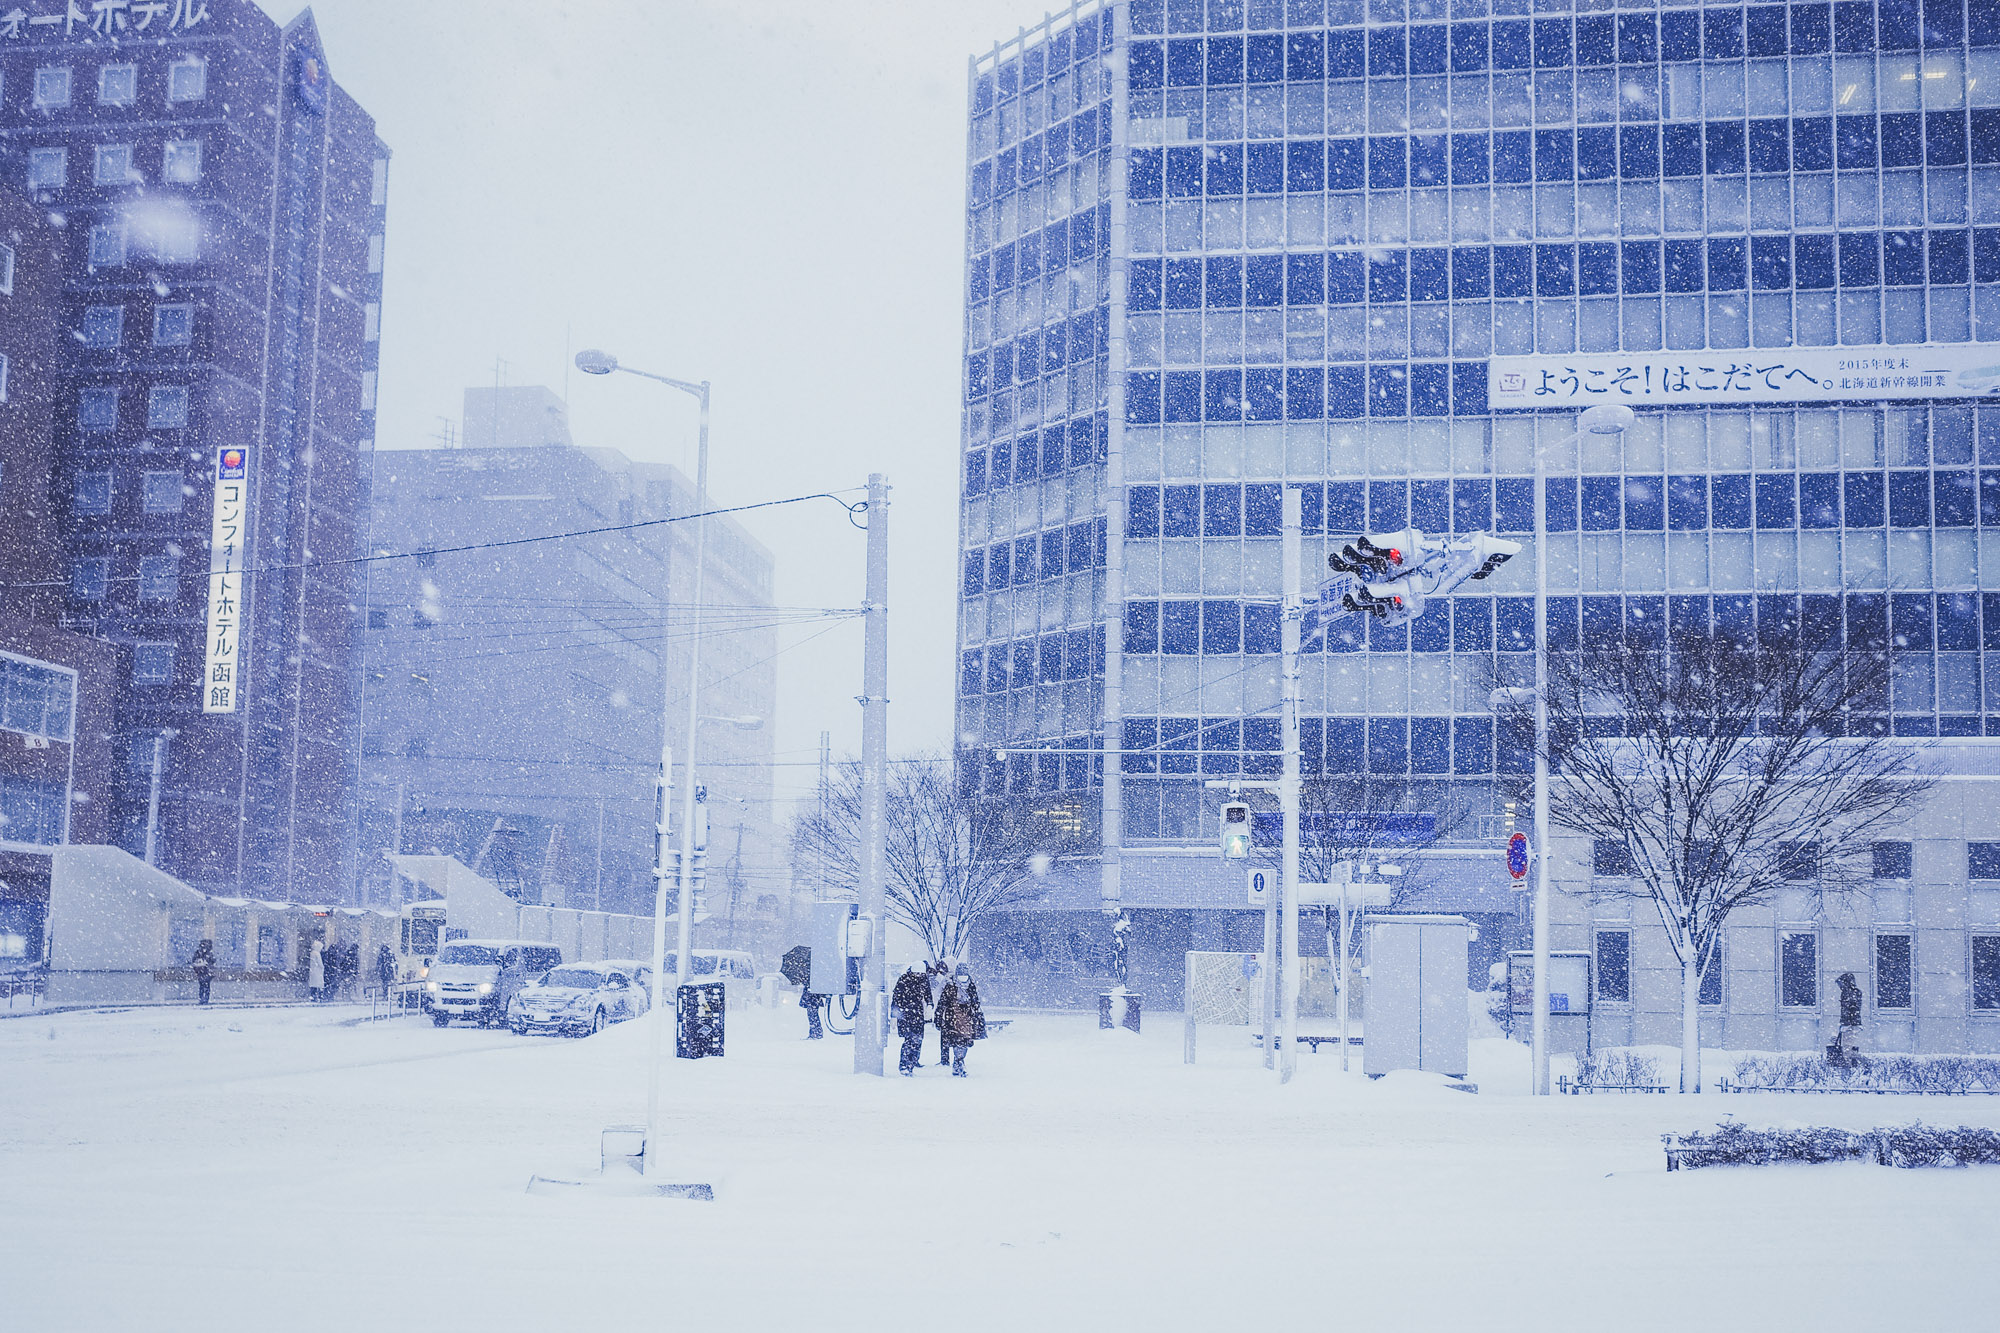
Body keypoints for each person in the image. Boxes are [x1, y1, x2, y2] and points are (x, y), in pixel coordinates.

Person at [934, 963, 987, 1078]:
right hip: (952, 1018)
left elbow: (975, 1002)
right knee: (957, 1040)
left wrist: (977, 1013)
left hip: (967, 1018)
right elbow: (942, 1002)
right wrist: (938, 1017)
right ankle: (959, 1062)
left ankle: (959, 1061)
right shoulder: (950, 986)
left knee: (964, 1041)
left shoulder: (970, 985)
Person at [891, 961, 932, 1075]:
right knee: (909, 1040)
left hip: (918, 1014)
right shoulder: (903, 980)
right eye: (916, 973)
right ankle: (904, 1065)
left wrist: (930, 1005)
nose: (919, 976)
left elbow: (928, 995)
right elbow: (896, 999)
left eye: (921, 973)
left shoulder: (924, 980)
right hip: (904, 1014)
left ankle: (912, 1064)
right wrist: (894, 1016)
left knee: (918, 1040)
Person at [930, 960, 951, 1068]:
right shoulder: (945, 980)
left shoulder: (947, 981)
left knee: (947, 1037)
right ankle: (947, 1059)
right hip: (948, 1014)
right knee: (946, 1037)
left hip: (948, 1014)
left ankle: (946, 1059)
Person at [189, 939, 216, 1006]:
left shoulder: (200, 952)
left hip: (202, 972)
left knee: (202, 986)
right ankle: (205, 999)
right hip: (205, 972)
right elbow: (212, 961)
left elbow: (194, 961)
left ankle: (202, 999)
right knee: (206, 986)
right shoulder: (208, 953)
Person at [308, 937, 326, 1003]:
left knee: (313, 985)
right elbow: (320, 963)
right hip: (318, 971)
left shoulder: (312, 953)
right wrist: (322, 967)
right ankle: (319, 997)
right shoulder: (317, 954)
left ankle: (313, 997)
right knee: (319, 985)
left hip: (313, 971)